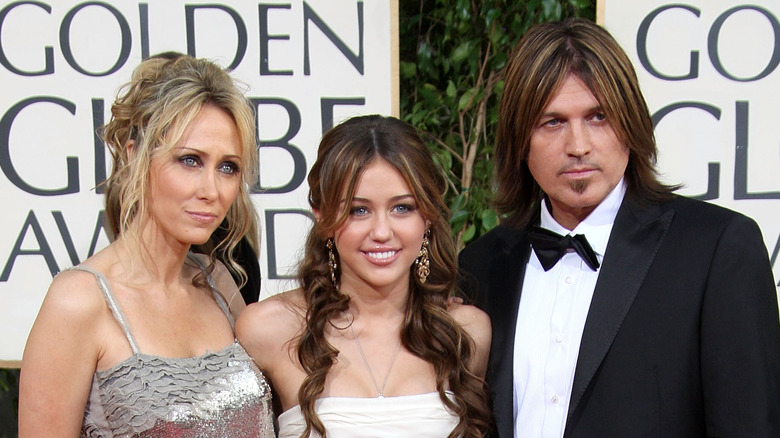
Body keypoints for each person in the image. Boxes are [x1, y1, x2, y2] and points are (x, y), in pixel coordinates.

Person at [457, 17, 780, 438]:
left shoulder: (716, 249)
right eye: (552, 122)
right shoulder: (482, 266)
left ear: (630, 123)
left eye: (598, 117)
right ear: (520, 140)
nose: (577, 146)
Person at [18, 54, 275, 437]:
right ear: (134, 153)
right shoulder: (78, 301)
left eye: (228, 167)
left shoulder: (219, 283)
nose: (211, 191)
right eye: (190, 160)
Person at [237, 114, 493, 438]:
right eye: (359, 210)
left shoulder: (467, 333)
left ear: (427, 215)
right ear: (322, 216)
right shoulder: (268, 330)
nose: (382, 232)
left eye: (402, 208)